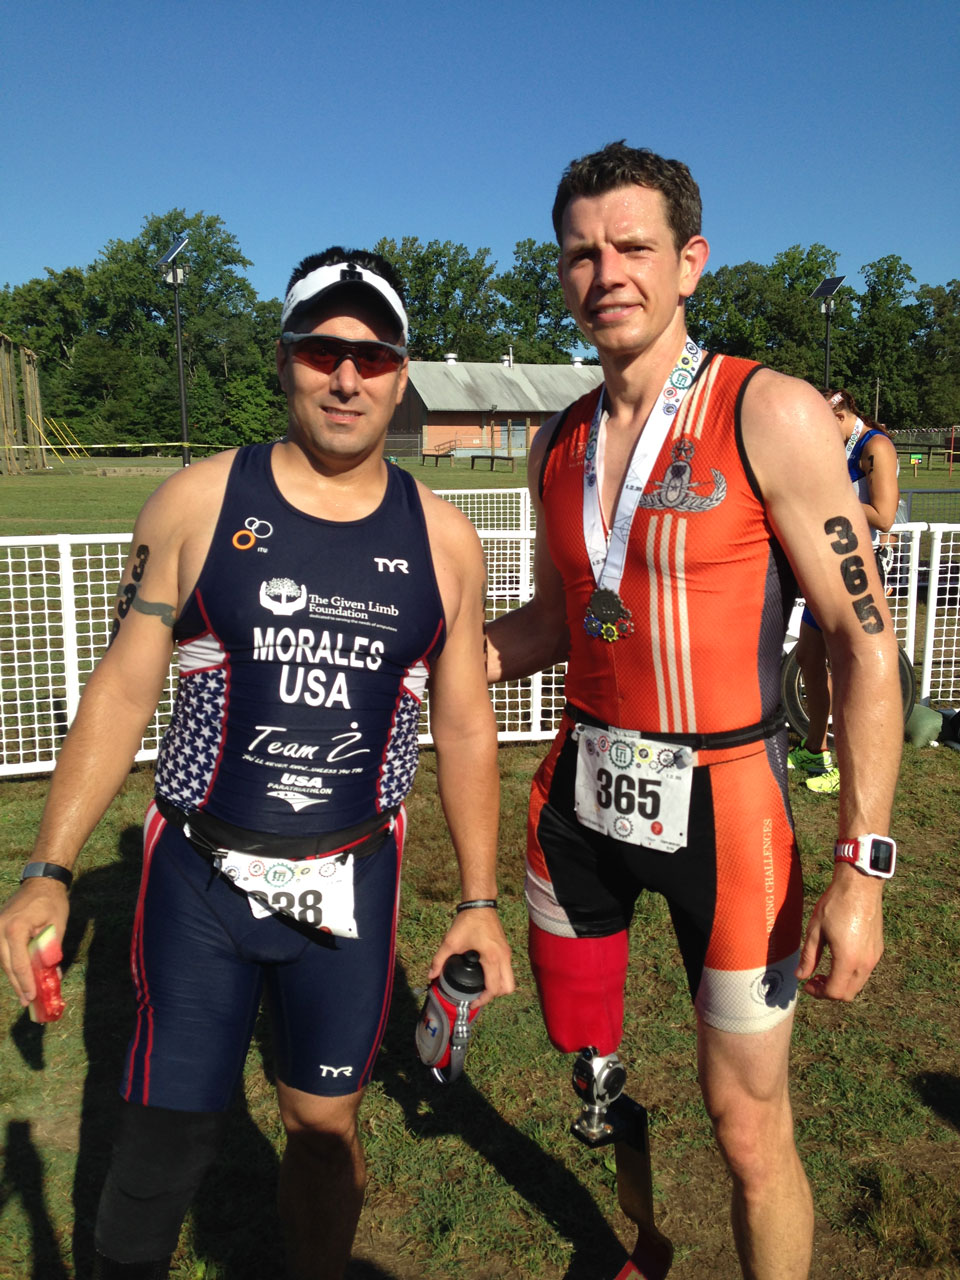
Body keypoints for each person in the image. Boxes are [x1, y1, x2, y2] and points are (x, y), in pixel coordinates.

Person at [0, 247, 514, 1280]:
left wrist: (480, 895)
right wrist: (50, 867)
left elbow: (463, 729)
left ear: (402, 374)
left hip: (351, 880)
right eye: (323, 348)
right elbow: (121, 687)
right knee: (161, 1135)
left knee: (324, 1131)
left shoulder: (447, 541)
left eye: (372, 356)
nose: (346, 376)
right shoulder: (196, 502)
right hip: (198, 877)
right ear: (284, 359)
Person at [485, 142, 902, 1280]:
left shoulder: (771, 412)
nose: (606, 269)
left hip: (728, 809)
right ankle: (635, 1245)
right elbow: (565, 618)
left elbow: (867, 651)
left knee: (747, 1122)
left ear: (690, 263)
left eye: (633, 246)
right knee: (586, 1062)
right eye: (581, 251)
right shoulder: (554, 437)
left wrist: (862, 870)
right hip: (579, 794)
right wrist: (444, 660)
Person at [789, 388, 901, 795]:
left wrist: (824, 504)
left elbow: (885, 516)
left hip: (858, 569)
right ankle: (814, 748)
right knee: (808, 658)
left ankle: (838, 763)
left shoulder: (876, 446)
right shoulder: (838, 445)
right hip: (829, 565)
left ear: (840, 416)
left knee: (851, 672)